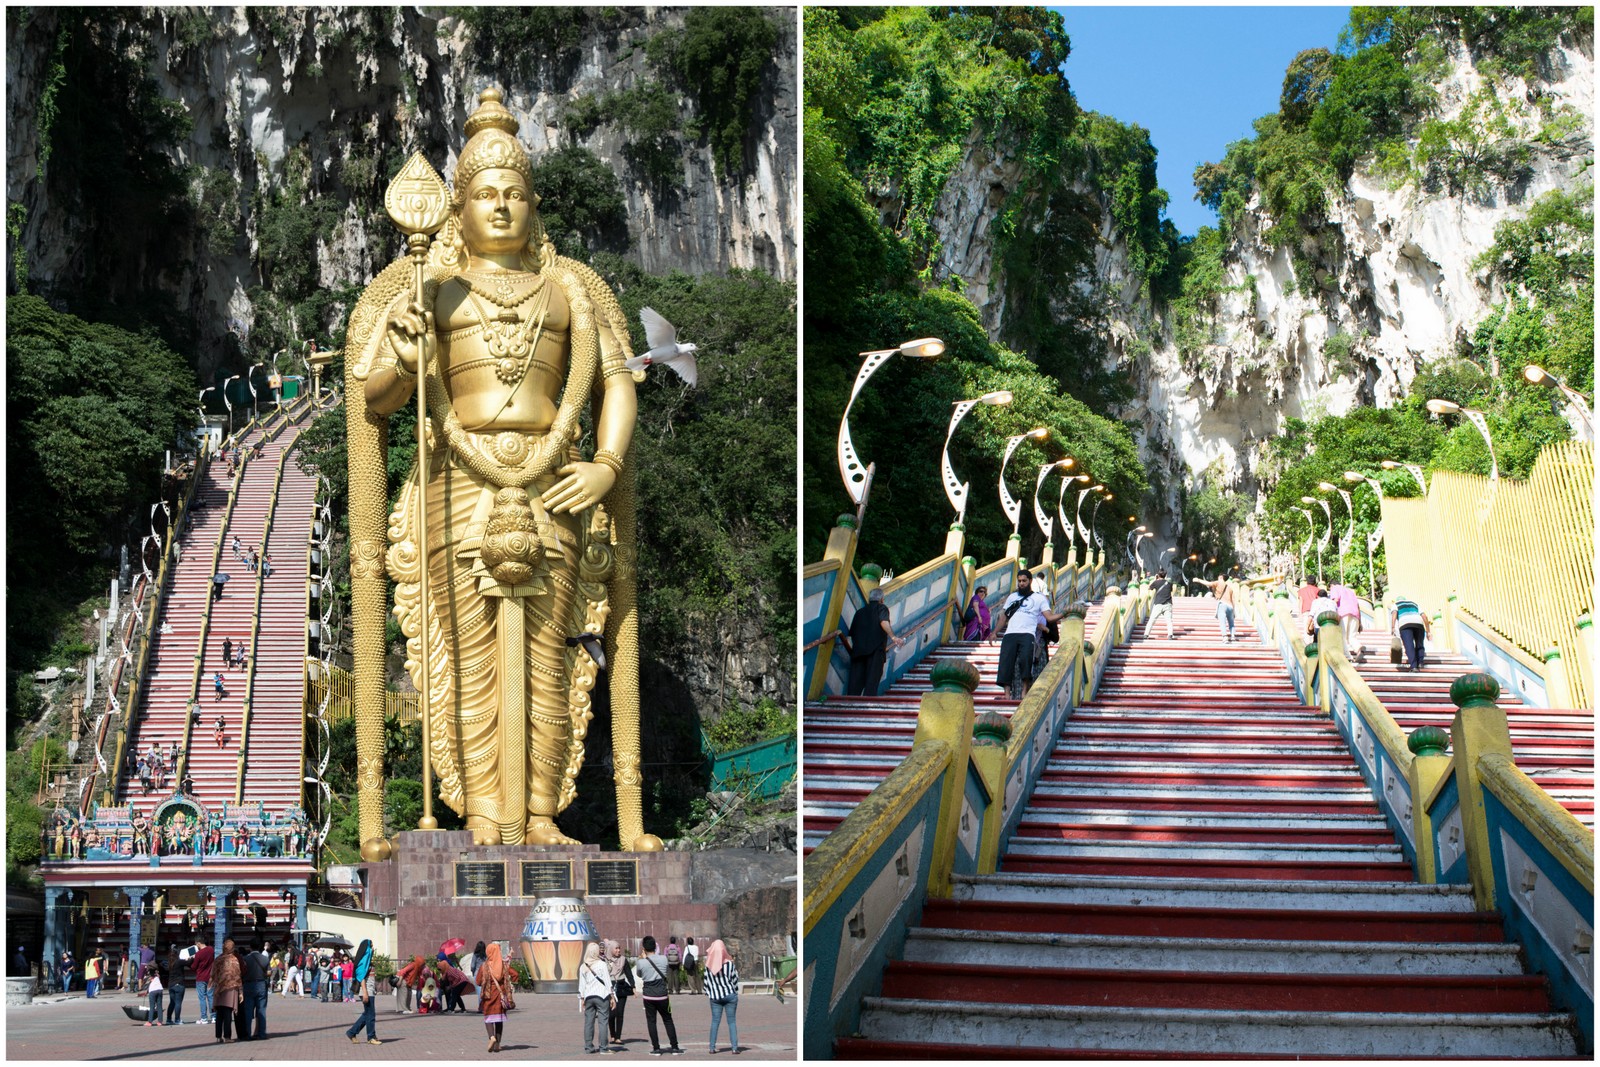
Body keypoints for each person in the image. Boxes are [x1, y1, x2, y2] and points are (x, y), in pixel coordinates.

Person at [351, 87, 648, 853]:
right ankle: (484, 811)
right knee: (471, 653)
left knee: (551, 653)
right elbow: (374, 396)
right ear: (457, 205)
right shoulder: (430, 288)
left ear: (535, 201)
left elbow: (617, 378)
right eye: (485, 193)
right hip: (460, 479)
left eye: (515, 192)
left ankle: (543, 812)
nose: (502, 206)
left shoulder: (573, 290)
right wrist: (412, 356)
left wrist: (607, 465)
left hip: (556, 480)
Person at [995, 570, 1064, 697]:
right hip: (1010, 634)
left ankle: (1024, 691)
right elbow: (1004, 617)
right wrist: (994, 632)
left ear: (1030, 581)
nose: (1021, 584)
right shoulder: (1012, 597)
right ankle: (1006, 695)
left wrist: (1065, 613)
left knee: (1026, 662)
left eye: (1024, 581)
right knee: (1006, 663)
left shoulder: (1039, 598)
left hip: (1027, 634)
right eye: (1019, 581)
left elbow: (1049, 618)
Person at [843, 587, 904, 697]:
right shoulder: (881, 608)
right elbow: (884, 622)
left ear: (869, 599)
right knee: (872, 680)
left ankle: (850, 703)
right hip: (875, 650)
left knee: (855, 683)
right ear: (881, 599)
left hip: (858, 651)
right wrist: (893, 637)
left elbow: (851, 634)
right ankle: (867, 705)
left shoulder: (859, 612)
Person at [633, 935, 683, 1055]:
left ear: (644, 948)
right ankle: (675, 1047)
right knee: (668, 1020)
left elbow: (639, 975)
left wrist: (644, 959)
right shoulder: (663, 959)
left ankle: (656, 1049)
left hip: (649, 995)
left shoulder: (641, 962)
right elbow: (665, 970)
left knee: (651, 1022)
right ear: (655, 946)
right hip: (662, 994)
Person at [474, 942, 512, 1054]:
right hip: (500, 997)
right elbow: (514, 974)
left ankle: (491, 1037)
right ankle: (497, 1045)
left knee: (488, 1019)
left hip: (488, 996)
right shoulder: (503, 965)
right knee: (499, 1021)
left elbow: (477, 981)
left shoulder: (484, 966)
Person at [703, 939, 739, 1055]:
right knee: (732, 1022)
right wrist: (734, 992)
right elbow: (735, 980)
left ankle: (712, 1047)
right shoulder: (729, 964)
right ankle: (734, 1048)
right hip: (730, 995)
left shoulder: (708, 965)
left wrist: (710, 994)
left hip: (715, 997)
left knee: (715, 1022)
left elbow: (706, 983)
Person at [579, 942, 614, 1054]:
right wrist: (612, 996)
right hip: (601, 996)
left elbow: (582, 984)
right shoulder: (601, 964)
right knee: (603, 1022)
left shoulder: (583, 966)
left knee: (588, 1022)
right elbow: (607, 981)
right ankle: (603, 1048)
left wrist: (582, 998)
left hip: (589, 996)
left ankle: (588, 1047)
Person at [344, 938, 382, 1045]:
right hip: (366, 990)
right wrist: (365, 992)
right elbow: (361, 978)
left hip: (369, 990)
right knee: (371, 1014)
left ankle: (352, 1032)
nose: (373, 948)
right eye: (371, 946)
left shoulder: (367, 960)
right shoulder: (362, 962)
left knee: (368, 1014)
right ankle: (371, 1037)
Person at [1390, 596, 1432, 672]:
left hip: (1405, 625)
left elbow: (1394, 614)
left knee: (1409, 646)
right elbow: (1424, 616)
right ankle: (1420, 663)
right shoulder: (1414, 604)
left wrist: (1393, 627)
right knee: (1420, 644)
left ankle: (1414, 667)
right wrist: (1428, 631)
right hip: (1419, 624)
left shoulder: (1396, 604)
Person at [238, 940, 269, 1040]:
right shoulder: (265, 959)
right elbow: (269, 972)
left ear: (250, 947)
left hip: (249, 984)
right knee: (261, 1010)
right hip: (261, 984)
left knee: (248, 1011)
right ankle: (262, 1033)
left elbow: (242, 972)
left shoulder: (246, 959)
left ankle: (248, 1033)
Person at [212, 939, 241, 1043]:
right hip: (231, 989)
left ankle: (218, 1036)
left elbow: (213, 973)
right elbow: (237, 975)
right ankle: (227, 1036)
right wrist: (240, 990)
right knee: (227, 1013)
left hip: (219, 988)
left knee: (219, 1014)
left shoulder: (218, 959)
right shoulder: (234, 959)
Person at [605, 939, 632, 1046]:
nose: (618, 950)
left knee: (620, 1013)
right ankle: (612, 1035)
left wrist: (633, 986)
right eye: (616, 948)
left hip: (621, 987)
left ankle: (618, 1037)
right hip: (610, 988)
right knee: (611, 1014)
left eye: (619, 948)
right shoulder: (605, 961)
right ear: (611, 949)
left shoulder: (623, 960)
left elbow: (629, 973)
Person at [1333, 582, 1363, 659]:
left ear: (1331, 585)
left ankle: (1347, 656)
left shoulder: (1335, 587)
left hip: (1343, 614)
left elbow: (1335, 600)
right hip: (1355, 614)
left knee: (1342, 636)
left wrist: (1334, 614)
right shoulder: (1351, 591)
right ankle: (1358, 648)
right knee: (1352, 636)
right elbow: (1358, 606)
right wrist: (1360, 621)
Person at [1146, 572, 1176, 640]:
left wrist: (1154, 579)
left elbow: (1149, 588)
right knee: (1169, 620)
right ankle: (1170, 634)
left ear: (1158, 576)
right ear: (1165, 576)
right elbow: (1170, 590)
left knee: (1152, 620)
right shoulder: (1169, 584)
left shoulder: (1156, 582)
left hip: (1158, 604)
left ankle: (1146, 634)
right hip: (1168, 604)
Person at [193, 935, 215, 1026]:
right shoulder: (211, 949)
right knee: (211, 997)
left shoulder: (198, 954)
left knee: (202, 998)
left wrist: (191, 959)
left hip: (201, 977)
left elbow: (194, 966)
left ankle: (204, 1018)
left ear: (198, 943)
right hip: (210, 977)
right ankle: (214, 1017)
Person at [1210, 577, 1237, 643]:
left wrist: (1198, 580)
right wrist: (1234, 610)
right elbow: (1233, 600)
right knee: (1231, 623)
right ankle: (1233, 636)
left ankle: (1225, 637)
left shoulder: (1218, 586)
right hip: (1230, 606)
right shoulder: (1230, 588)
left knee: (1222, 622)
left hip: (1222, 605)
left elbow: (1208, 583)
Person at [165, 945, 187, 1024]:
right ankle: (177, 1019)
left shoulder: (169, 962)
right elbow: (189, 962)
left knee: (172, 1002)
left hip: (171, 984)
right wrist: (190, 957)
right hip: (179, 983)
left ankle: (168, 1019)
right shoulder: (179, 961)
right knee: (178, 1003)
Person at [144, 961, 165, 1026]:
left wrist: (146, 991)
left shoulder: (148, 975)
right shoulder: (157, 974)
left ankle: (150, 1022)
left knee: (152, 1006)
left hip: (152, 991)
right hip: (160, 989)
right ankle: (160, 1022)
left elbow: (147, 985)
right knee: (159, 1006)